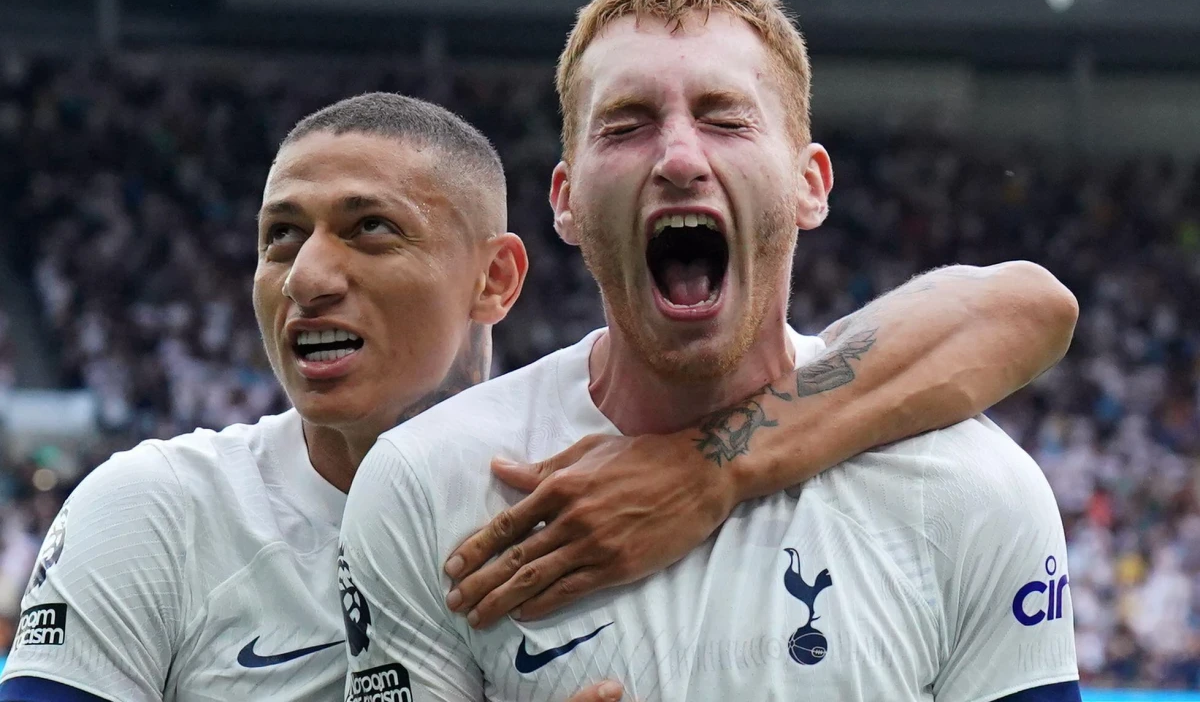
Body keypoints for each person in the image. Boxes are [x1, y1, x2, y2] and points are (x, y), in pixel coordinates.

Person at [0, 82, 1074, 702]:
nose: (309, 276)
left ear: (497, 280)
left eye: (369, 230)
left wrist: (709, 466)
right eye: (280, 238)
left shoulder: (602, 481)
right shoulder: (156, 512)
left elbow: (1019, 307)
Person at [338, 0, 1082, 702]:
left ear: (810, 184)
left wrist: (705, 468)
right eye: (625, 126)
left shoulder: (966, 491)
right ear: (565, 201)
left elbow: (1034, 304)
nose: (679, 159)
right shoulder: (428, 485)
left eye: (726, 120)